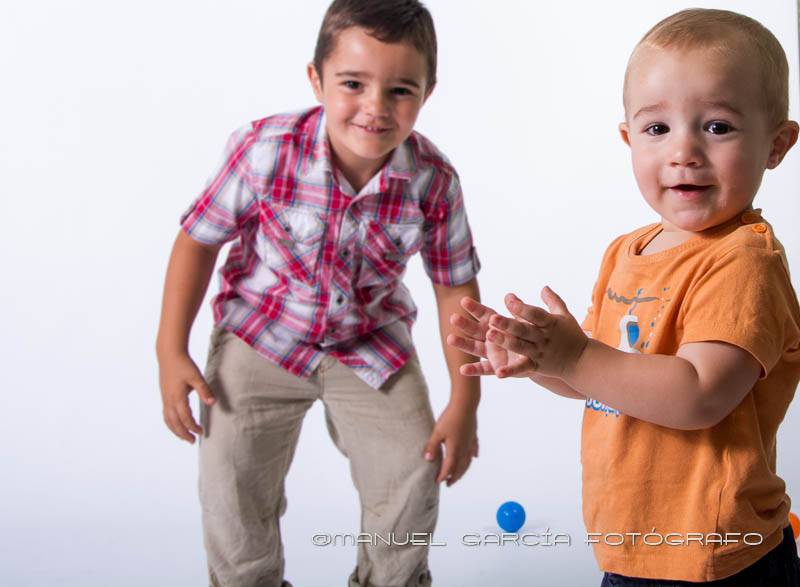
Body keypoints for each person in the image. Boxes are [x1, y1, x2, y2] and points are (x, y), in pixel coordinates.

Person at [448, 8, 800, 586]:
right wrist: (541, 359)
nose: (683, 151)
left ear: (777, 143)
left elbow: (699, 396)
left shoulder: (742, 260)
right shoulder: (625, 253)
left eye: (717, 126)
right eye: (657, 129)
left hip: (716, 556)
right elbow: (606, 382)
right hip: (632, 544)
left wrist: (576, 357)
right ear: (628, 138)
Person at [155, 1, 483, 585]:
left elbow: (455, 290)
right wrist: (170, 350)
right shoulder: (265, 149)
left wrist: (466, 402)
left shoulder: (433, 180)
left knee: (413, 471)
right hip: (262, 336)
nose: (374, 109)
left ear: (428, 94)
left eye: (401, 91)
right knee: (232, 485)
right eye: (353, 84)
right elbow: (197, 241)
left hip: (370, 343)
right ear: (317, 79)